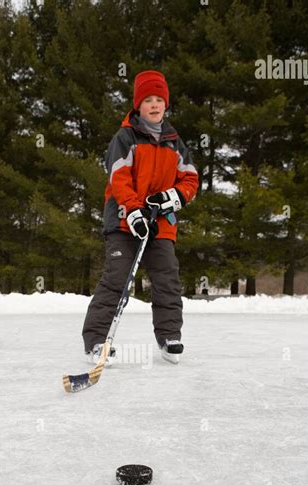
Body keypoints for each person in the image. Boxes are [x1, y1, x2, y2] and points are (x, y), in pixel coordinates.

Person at [82, 70, 199, 364]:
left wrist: (172, 197)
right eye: (148, 100)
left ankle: (170, 337)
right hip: (124, 221)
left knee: (167, 278)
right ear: (138, 105)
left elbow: (191, 179)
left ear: (166, 104)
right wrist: (134, 211)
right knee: (117, 278)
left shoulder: (174, 141)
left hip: (160, 222)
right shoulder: (125, 138)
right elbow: (119, 179)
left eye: (159, 99)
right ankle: (96, 341)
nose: (155, 104)